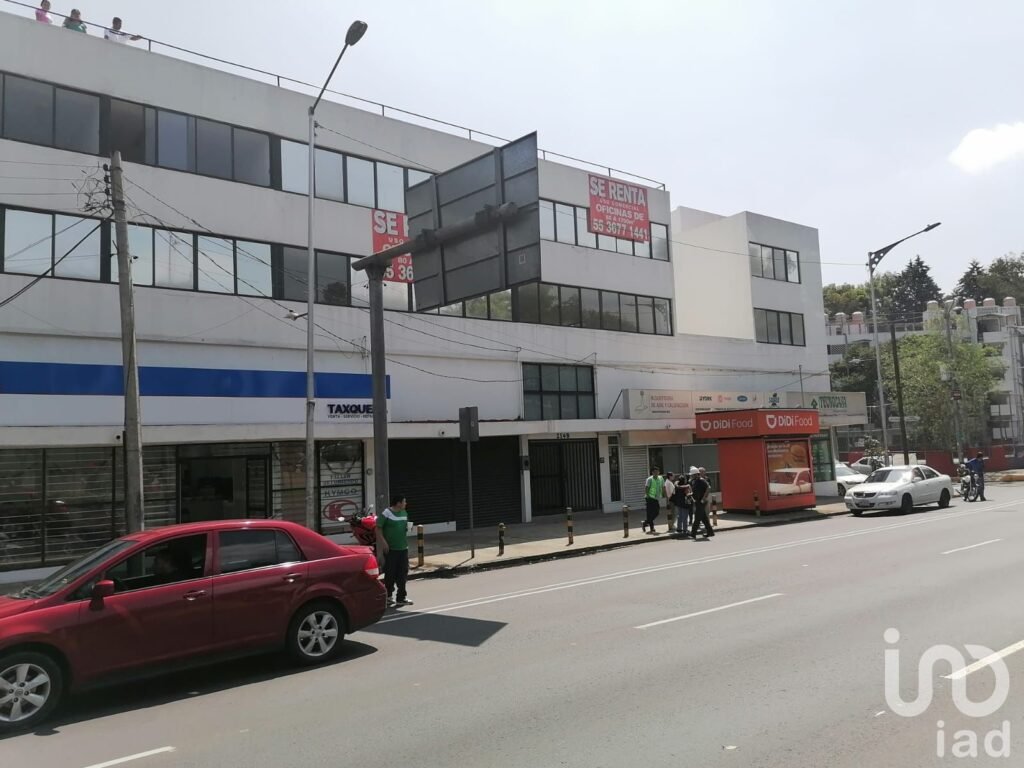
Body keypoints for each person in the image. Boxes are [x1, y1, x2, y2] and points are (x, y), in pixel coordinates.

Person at [378, 494, 413, 607]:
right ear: (398, 503)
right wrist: (383, 542)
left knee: (403, 573)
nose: (405, 504)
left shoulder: (404, 513)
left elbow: (406, 528)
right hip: (391, 549)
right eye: (404, 501)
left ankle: (401, 597)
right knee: (390, 573)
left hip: (403, 548)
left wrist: (409, 528)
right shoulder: (386, 513)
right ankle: (388, 596)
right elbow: (377, 528)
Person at [689, 467, 714, 539]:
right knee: (704, 519)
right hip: (697, 501)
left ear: (697, 474)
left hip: (701, 502)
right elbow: (695, 491)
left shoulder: (701, 480)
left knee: (697, 519)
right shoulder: (694, 481)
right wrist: (690, 495)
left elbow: (708, 488)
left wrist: (703, 498)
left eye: (693, 475)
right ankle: (710, 532)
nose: (691, 476)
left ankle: (693, 534)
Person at [674, 467, 696, 535]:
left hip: (679, 503)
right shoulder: (686, 487)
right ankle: (685, 530)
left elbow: (676, 485)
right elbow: (688, 494)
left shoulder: (677, 486)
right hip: (685, 504)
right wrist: (692, 493)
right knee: (685, 517)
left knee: (679, 516)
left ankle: (679, 528)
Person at [642, 467, 664, 534]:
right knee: (650, 513)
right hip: (649, 498)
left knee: (656, 512)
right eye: (655, 472)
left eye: (657, 472)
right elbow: (646, 488)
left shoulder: (661, 478)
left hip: (656, 498)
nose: (656, 473)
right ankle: (652, 528)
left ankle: (645, 522)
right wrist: (648, 496)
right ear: (652, 473)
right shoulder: (649, 479)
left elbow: (663, 486)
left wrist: (663, 494)